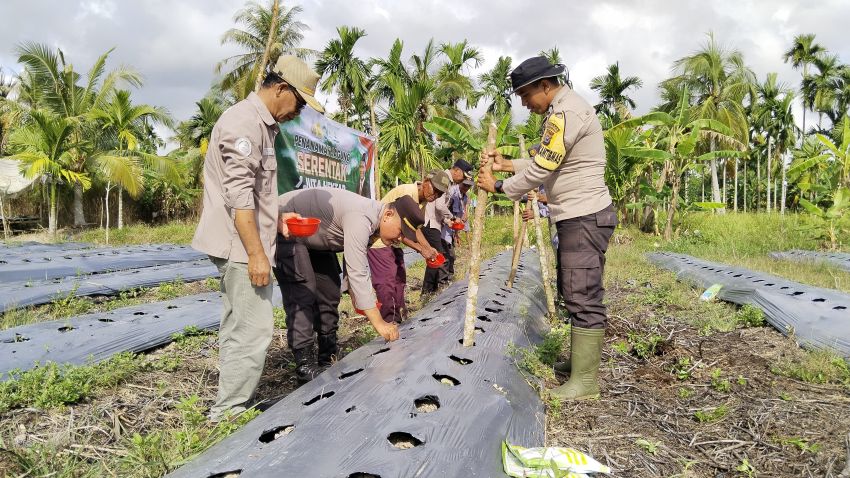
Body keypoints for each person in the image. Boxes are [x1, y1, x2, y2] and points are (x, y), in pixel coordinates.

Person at [191, 55, 324, 421]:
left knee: (240, 325)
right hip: (239, 246)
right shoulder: (244, 124)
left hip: (245, 242)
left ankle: (232, 402)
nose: (299, 112)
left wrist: (279, 217)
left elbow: (256, 192)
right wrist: (257, 255)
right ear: (281, 88)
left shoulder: (263, 127)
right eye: (299, 102)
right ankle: (230, 411)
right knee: (254, 329)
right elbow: (238, 198)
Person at [477, 56, 617, 401]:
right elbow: (548, 159)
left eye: (526, 95)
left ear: (545, 85)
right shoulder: (562, 111)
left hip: (583, 216)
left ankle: (585, 383)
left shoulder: (566, 113)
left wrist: (499, 187)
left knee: (582, 294)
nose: (525, 103)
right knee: (573, 289)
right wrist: (508, 163)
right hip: (576, 215)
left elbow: (543, 168)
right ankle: (579, 366)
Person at [275, 188, 425, 382]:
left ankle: (327, 356)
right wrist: (379, 323)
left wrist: (354, 291)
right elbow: (358, 271)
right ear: (388, 214)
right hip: (287, 227)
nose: (399, 239)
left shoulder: (374, 224)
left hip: (315, 240)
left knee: (329, 291)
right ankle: (305, 366)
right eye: (400, 232)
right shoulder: (361, 217)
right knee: (303, 292)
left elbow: (353, 256)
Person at [367, 169, 450, 323]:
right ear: (425, 181)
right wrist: (421, 249)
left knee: (399, 280)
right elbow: (400, 230)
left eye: (440, 194)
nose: (435, 195)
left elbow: (415, 227)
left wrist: (428, 248)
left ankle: (399, 317)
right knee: (386, 283)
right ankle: (389, 323)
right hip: (380, 240)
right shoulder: (406, 194)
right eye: (435, 189)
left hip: (394, 240)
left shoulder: (423, 199)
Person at [421, 160, 471, 293]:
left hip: (435, 221)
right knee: (438, 256)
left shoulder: (449, 182)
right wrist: (453, 217)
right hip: (430, 222)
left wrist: (448, 221)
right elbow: (439, 205)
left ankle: (430, 290)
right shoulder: (444, 179)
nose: (463, 181)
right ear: (457, 171)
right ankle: (429, 291)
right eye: (464, 177)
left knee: (435, 256)